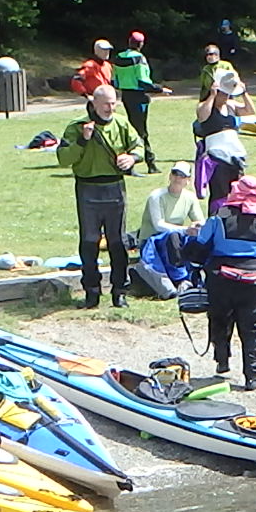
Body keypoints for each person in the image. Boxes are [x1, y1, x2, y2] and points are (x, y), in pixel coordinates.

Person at [192, 176, 256, 391]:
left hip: (221, 278)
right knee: (251, 327)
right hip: (253, 280)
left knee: (219, 318)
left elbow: (201, 245)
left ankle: (222, 359)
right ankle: (251, 375)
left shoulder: (218, 218)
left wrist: (195, 269)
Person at [55, 83, 141, 307]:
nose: (109, 108)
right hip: (88, 188)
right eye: (105, 104)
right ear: (94, 103)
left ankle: (119, 291)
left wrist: (132, 158)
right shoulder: (76, 127)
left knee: (118, 242)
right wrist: (83, 140)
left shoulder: (121, 123)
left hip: (114, 187)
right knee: (89, 242)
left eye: (113, 104)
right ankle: (91, 293)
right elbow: (64, 158)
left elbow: (138, 146)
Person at [193, 81, 251, 199]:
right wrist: (212, 95)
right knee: (220, 193)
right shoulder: (204, 106)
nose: (226, 97)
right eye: (223, 94)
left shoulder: (231, 105)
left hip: (235, 155)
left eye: (228, 94)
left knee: (237, 191)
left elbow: (250, 111)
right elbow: (202, 115)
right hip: (217, 157)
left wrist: (244, 93)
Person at [114, 31, 160, 171]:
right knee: (141, 131)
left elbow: (115, 81)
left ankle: (146, 162)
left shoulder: (119, 57)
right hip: (139, 97)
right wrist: (159, 89)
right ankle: (147, 163)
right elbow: (143, 81)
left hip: (126, 96)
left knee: (134, 127)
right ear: (141, 44)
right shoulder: (139, 58)